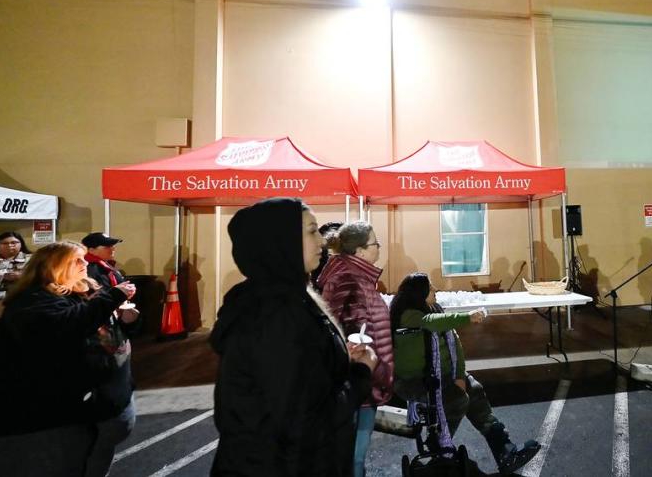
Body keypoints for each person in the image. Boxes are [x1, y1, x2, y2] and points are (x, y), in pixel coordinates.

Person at [210, 198, 377, 476]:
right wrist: (360, 373)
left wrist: (337, 358)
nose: (321, 242)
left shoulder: (291, 296)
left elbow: (299, 376)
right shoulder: (274, 314)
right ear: (280, 241)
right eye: (312, 231)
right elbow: (303, 419)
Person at [0, 241, 135, 477]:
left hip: (102, 408)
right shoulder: (31, 301)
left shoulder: (82, 291)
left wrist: (123, 317)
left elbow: (103, 332)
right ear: (51, 267)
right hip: (46, 419)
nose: (85, 264)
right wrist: (111, 298)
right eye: (77, 260)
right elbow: (67, 324)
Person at [390, 272, 540, 475]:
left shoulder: (434, 308)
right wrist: (467, 317)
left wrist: (459, 375)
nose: (435, 290)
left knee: (474, 391)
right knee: (456, 399)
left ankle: (504, 450)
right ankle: (439, 449)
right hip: (414, 381)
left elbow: (455, 344)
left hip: (442, 375)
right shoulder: (408, 314)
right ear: (419, 293)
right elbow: (432, 321)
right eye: (431, 287)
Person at [318, 221, 393, 477]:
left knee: (355, 458)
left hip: (367, 379)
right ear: (360, 251)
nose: (378, 248)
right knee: (352, 460)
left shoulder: (360, 277)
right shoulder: (346, 278)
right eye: (375, 243)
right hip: (355, 382)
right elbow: (332, 328)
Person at [81, 231, 140, 477]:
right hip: (101, 349)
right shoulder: (91, 272)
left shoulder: (107, 267)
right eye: (107, 245)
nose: (112, 248)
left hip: (113, 339)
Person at [0, 232, 31, 383]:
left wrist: (21, 277)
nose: (10, 246)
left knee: (10, 348)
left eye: (14, 242)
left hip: (14, 311)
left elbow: (41, 276)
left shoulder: (31, 260)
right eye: (5, 243)